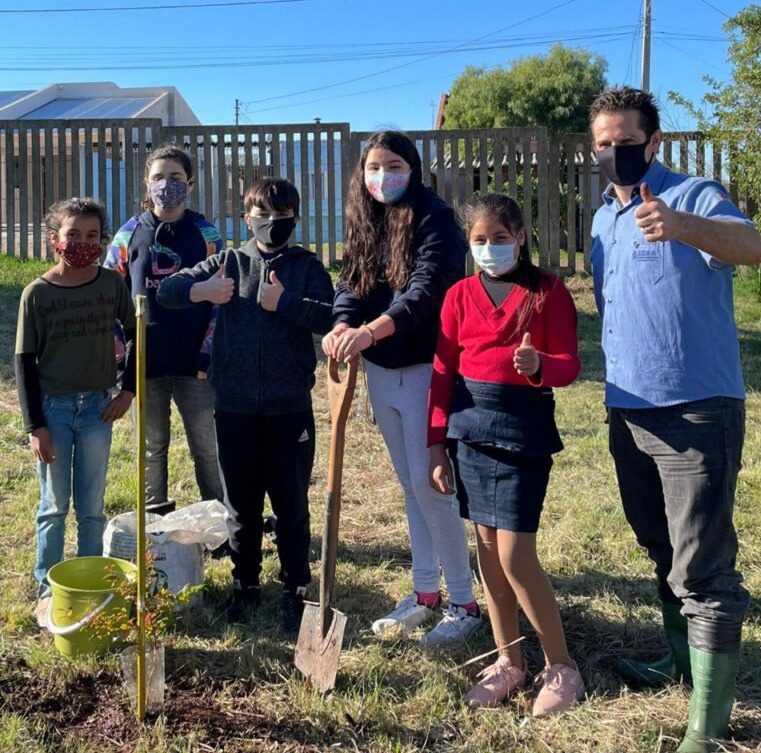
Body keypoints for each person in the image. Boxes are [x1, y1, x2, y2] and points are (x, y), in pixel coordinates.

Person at [589, 86, 761, 753]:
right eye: (602, 143)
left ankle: (707, 729)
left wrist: (683, 225)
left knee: (704, 567)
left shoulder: (691, 194)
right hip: (627, 408)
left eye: (625, 142)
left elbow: (753, 248)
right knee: (660, 547)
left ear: (653, 143)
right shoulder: (603, 217)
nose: (613, 153)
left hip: (695, 409)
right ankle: (681, 665)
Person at [323, 130, 481, 648]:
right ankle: (425, 592)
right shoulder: (366, 216)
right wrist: (345, 324)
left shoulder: (436, 219)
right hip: (380, 370)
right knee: (410, 484)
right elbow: (351, 280)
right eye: (373, 167)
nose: (381, 176)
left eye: (392, 165)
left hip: (424, 368)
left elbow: (426, 291)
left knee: (431, 483)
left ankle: (464, 602)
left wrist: (373, 330)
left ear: (412, 168)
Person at [427, 193, 584, 714]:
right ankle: (509, 661)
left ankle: (561, 666)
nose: (490, 248)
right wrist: (436, 443)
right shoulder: (458, 296)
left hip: (523, 428)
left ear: (520, 237)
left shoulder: (549, 292)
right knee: (489, 556)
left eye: (500, 238)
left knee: (517, 555)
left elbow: (569, 365)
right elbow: (444, 371)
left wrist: (540, 364)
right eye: (479, 240)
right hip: (470, 431)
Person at [157, 177, 333, 633]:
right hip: (233, 404)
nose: (271, 223)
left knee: (291, 502)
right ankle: (245, 584)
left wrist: (286, 303)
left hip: (288, 407)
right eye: (261, 214)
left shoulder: (308, 268)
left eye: (281, 216)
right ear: (245, 218)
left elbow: (332, 316)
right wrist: (202, 292)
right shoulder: (228, 262)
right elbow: (167, 291)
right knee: (241, 503)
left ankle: (295, 587)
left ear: (295, 218)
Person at [14, 198, 136, 628]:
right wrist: (36, 427)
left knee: (91, 505)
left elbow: (137, 331)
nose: (82, 243)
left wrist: (129, 390)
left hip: (97, 408)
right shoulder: (37, 294)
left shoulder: (111, 286)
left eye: (91, 235)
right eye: (73, 235)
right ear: (55, 240)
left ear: (101, 240)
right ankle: (48, 589)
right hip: (53, 410)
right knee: (53, 506)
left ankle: (86, 583)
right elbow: (24, 363)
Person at [105, 144, 224, 515]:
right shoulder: (128, 236)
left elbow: (223, 300)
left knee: (208, 446)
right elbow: (111, 300)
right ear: (147, 183)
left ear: (189, 183)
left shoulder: (207, 235)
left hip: (196, 366)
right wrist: (123, 363)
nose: (166, 185)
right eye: (158, 177)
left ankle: (222, 521)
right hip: (145, 365)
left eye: (175, 177)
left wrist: (210, 352)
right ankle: (154, 523)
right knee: (151, 448)